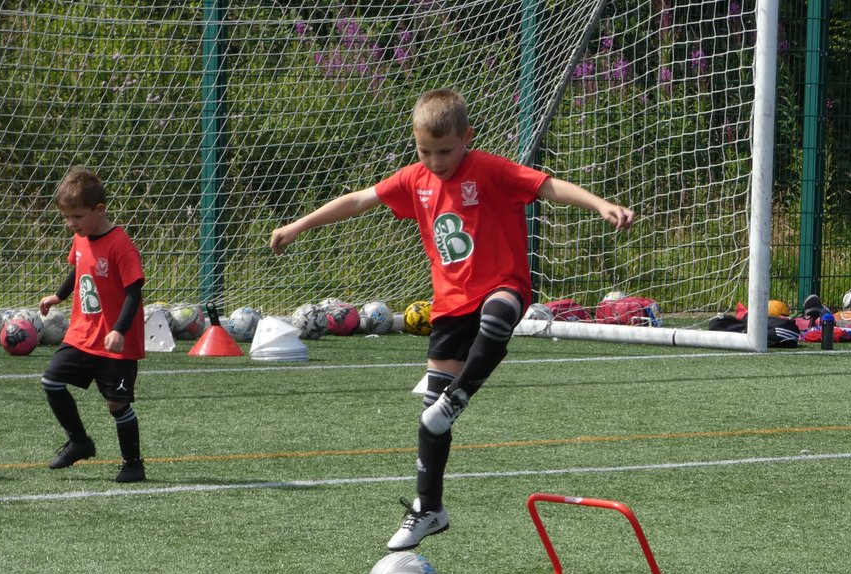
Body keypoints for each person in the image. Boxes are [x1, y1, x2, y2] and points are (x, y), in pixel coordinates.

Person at [270, 88, 634, 550]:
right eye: (425, 151)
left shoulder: (489, 169)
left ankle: (460, 397)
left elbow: (546, 186)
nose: (436, 161)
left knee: (498, 315)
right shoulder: (414, 178)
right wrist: (297, 225)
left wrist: (600, 204)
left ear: (467, 138)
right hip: (449, 307)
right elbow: (359, 200)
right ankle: (428, 510)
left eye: (445, 151)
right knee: (430, 422)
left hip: (502, 285)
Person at [38, 167, 148, 483]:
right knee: (52, 381)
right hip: (82, 333)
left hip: (115, 342)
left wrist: (119, 330)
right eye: (68, 218)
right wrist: (58, 296)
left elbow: (133, 291)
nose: (72, 224)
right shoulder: (81, 238)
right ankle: (80, 441)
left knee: (117, 403)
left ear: (99, 210)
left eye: (78, 217)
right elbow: (78, 269)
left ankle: (133, 464)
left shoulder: (120, 244)